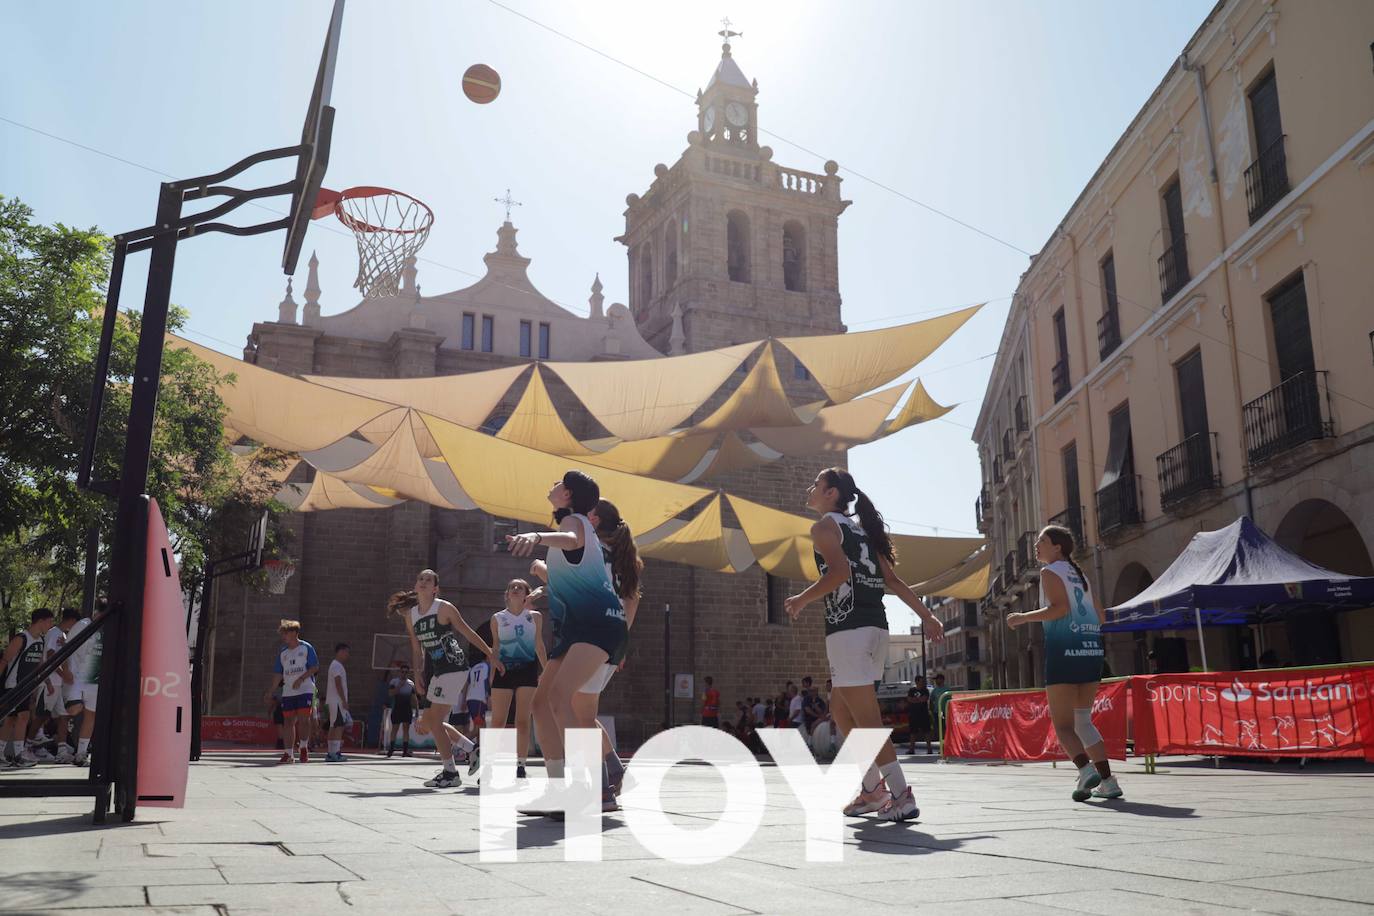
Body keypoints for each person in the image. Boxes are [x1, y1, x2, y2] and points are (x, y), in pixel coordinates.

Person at [785, 468, 945, 822]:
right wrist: (927, 616)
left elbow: (839, 573)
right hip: (876, 628)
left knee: (869, 721)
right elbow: (893, 581)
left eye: (816, 484)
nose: (810, 488)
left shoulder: (824, 527)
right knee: (840, 709)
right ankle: (873, 790)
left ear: (831, 494)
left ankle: (901, 795)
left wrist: (801, 599)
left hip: (849, 630)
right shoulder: (863, 530)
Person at [506, 471, 627, 811]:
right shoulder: (576, 528)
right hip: (579, 626)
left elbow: (571, 539)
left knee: (562, 699)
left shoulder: (573, 523)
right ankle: (559, 788)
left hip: (598, 624)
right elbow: (573, 573)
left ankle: (594, 789)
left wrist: (535, 535)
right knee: (541, 704)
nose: (552, 484)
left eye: (558, 482)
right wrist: (545, 586)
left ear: (569, 494)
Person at [1007, 524, 1122, 801]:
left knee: (1062, 725)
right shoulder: (1080, 574)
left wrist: (1022, 617)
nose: (1036, 546)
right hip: (1091, 650)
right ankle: (1108, 782)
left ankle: (1085, 770)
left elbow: (1059, 608)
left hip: (1064, 651)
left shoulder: (1050, 572)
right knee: (1083, 721)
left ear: (1057, 547)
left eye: (1042, 541)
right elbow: (1102, 616)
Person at [391, 569, 502, 789]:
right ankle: (472, 750)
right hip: (438, 671)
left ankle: (451, 772)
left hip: (455, 666)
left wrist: (490, 654)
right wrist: (417, 673)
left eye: (428, 579)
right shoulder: (411, 615)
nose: (423, 581)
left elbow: (469, 633)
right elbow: (416, 649)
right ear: (416, 586)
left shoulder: (444, 608)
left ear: (435, 588)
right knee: (436, 722)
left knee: (432, 721)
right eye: (420, 578)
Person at [565, 498, 642, 811]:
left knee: (574, 715)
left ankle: (602, 790)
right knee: (582, 714)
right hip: (609, 641)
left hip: (593, 639)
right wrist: (620, 643)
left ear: (593, 519)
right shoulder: (625, 560)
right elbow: (631, 603)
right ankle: (611, 768)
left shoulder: (593, 552)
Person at [486, 580, 546, 779]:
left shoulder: (535, 617)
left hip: (527, 671)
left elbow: (539, 645)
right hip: (504, 671)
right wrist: (492, 673)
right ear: (507, 594)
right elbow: (495, 647)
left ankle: (520, 765)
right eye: (512, 586)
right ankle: (489, 766)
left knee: (522, 721)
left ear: (526, 595)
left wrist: (547, 671)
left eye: (520, 587)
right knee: (498, 721)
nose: (515, 589)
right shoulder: (497, 618)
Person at [2, 609, 56, 768]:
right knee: (23, 717)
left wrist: (47, 682)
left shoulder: (40, 640)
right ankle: (19, 754)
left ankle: (3, 754)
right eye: (50, 621)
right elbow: (5, 660)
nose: (51, 625)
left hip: (26, 686)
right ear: (40, 621)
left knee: (11, 720)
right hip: (13, 686)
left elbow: (39, 664)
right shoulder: (21, 638)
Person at [264, 619, 318, 764]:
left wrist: (301, 679)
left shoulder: (306, 647)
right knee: (288, 721)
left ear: (294, 633)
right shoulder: (283, 653)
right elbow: (278, 674)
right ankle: (288, 754)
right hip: (288, 691)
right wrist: (271, 691)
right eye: (282, 634)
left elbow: (314, 667)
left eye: (285, 633)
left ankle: (304, 748)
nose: (283, 636)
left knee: (303, 720)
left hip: (305, 688)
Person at [62, 600, 104, 766]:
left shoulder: (108, 629)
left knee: (90, 716)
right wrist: (65, 669)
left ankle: (81, 753)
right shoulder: (83, 625)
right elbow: (67, 647)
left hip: (95, 679)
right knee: (73, 709)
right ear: (97, 612)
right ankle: (63, 741)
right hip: (77, 677)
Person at [325, 643, 351, 762]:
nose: (348, 655)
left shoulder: (336, 665)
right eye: (346, 652)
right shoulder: (336, 666)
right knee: (338, 726)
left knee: (333, 726)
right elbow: (338, 683)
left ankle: (331, 753)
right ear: (340, 651)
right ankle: (335, 752)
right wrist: (344, 700)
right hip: (337, 702)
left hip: (333, 701)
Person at [386, 664, 418, 757]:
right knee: (394, 729)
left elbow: (413, 697)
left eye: (406, 672)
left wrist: (416, 709)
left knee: (406, 729)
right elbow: (391, 693)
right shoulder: (394, 682)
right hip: (396, 708)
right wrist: (399, 686)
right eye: (402, 672)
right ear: (399, 672)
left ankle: (405, 751)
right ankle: (391, 750)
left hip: (407, 708)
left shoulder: (411, 684)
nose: (404, 674)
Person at [905, 677, 933, 755]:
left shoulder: (925, 690)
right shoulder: (912, 690)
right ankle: (911, 750)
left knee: (927, 731)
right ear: (917, 681)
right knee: (913, 732)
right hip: (913, 715)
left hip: (924, 714)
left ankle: (929, 749)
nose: (923, 682)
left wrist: (915, 700)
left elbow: (924, 699)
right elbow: (909, 699)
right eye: (921, 681)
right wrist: (918, 699)